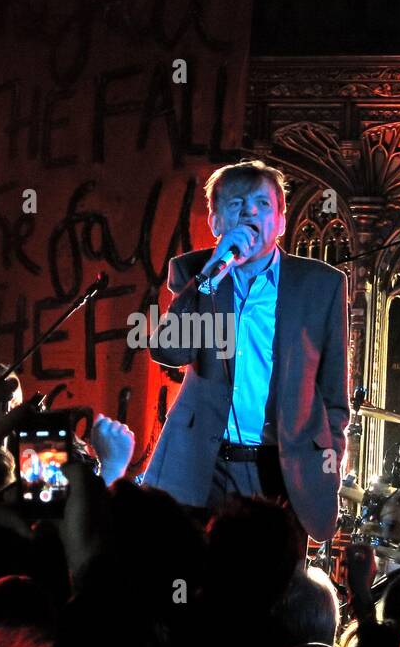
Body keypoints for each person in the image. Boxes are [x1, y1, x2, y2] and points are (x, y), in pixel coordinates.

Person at [141, 160, 349, 541]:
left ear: (282, 222)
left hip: (282, 469)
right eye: (236, 204)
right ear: (217, 223)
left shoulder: (321, 285)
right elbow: (170, 350)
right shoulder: (194, 273)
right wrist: (211, 273)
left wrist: (328, 454)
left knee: (273, 589)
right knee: (188, 586)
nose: (250, 212)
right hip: (202, 465)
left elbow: (334, 393)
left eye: (263, 204)